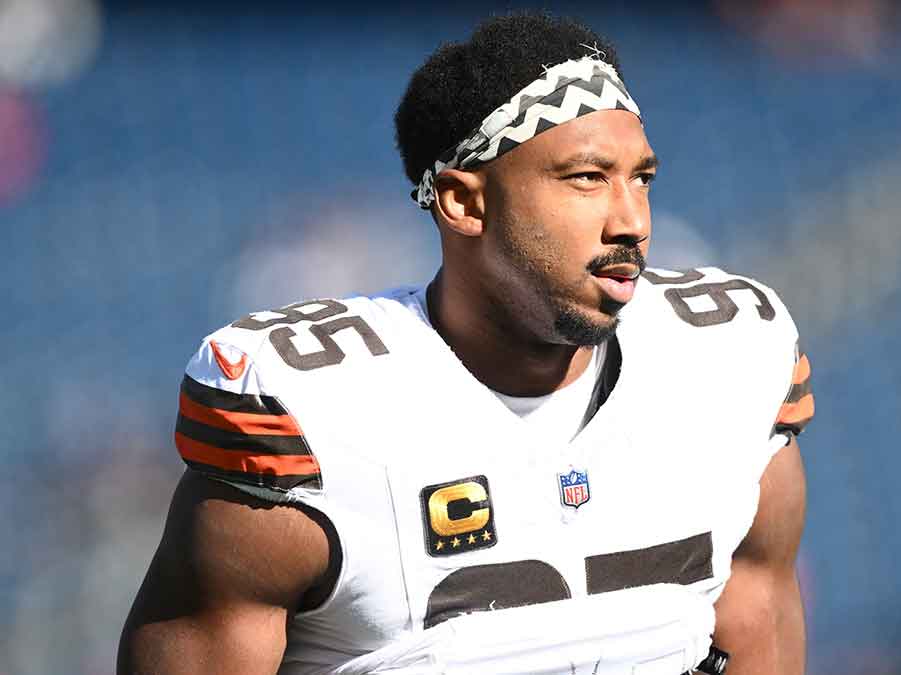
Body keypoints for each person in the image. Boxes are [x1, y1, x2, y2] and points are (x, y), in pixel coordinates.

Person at [118, 12, 814, 675]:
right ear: (465, 202)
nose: (631, 219)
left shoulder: (729, 360)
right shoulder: (313, 417)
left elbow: (758, 619)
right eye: (587, 178)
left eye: (641, 179)